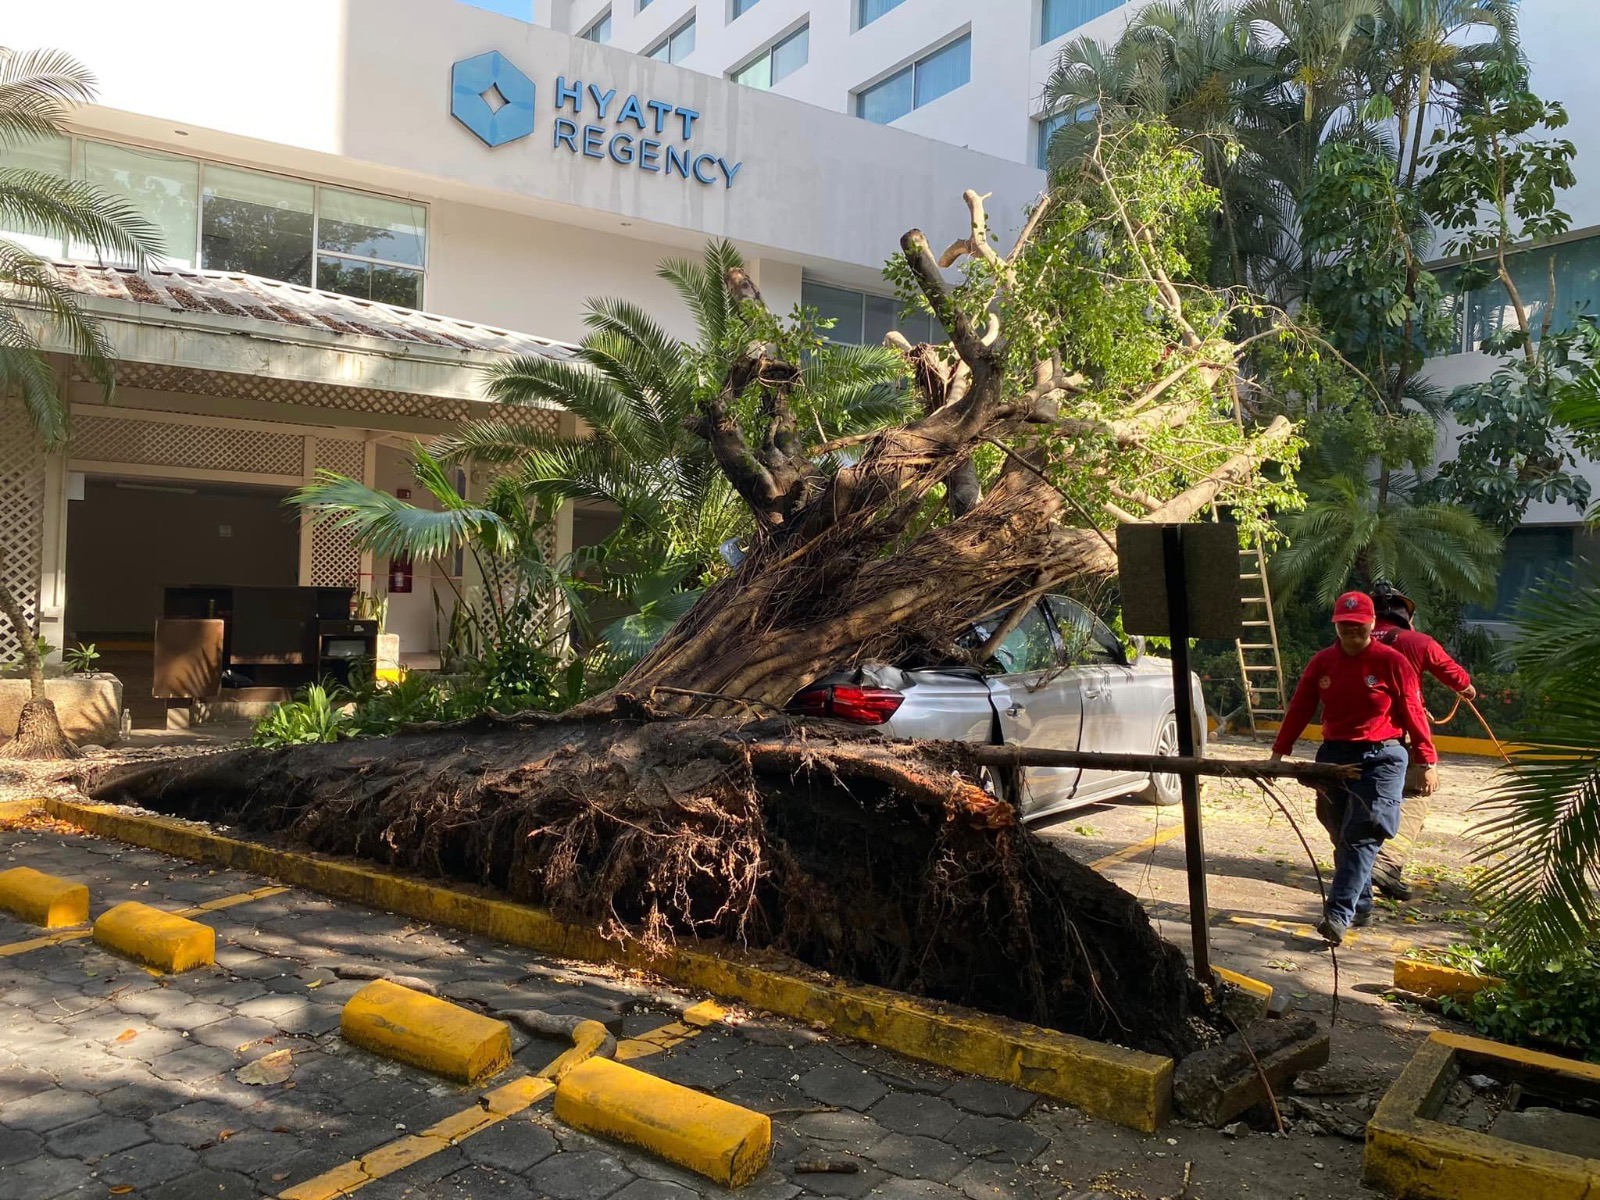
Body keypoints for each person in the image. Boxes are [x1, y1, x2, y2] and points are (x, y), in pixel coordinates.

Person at [1270, 591, 1438, 945]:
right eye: (1344, 625)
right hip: (1334, 756)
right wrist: (1278, 754)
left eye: (1357, 624)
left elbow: (1413, 712)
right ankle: (1360, 905)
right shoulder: (1323, 662)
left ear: (1371, 623)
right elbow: (1301, 707)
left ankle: (1338, 914)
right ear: (1336, 625)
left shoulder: (1392, 662)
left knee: (1362, 833)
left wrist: (1426, 761)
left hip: (1383, 757)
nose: (1351, 630)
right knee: (1338, 831)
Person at [1366, 580, 1475, 900]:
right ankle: (1387, 863)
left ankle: (1364, 863)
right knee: (1416, 793)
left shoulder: (1349, 640)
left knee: (1359, 799)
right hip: (1400, 735)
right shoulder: (1417, 642)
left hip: (1347, 737)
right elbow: (1455, 676)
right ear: (1405, 616)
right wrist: (1467, 689)